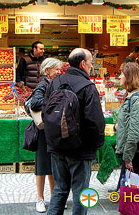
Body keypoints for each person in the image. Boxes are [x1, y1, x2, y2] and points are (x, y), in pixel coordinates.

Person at [45, 48, 105, 215]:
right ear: (82, 64)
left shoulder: (55, 82)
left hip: (57, 146)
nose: (91, 66)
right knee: (81, 192)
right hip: (80, 149)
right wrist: (95, 145)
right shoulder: (87, 86)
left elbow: (45, 112)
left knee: (60, 188)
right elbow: (95, 121)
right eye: (90, 62)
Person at [115, 62, 139, 215]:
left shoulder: (137, 99)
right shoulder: (131, 96)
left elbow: (135, 131)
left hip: (136, 152)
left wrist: (128, 156)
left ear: (129, 77)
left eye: (122, 74)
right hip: (132, 151)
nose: (119, 77)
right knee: (134, 187)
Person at [26, 57, 63, 213]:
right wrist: (54, 102)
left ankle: (54, 197)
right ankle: (40, 199)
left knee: (53, 166)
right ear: (48, 70)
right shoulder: (43, 85)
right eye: (56, 69)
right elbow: (35, 103)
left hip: (51, 130)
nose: (59, 71)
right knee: (41, 166)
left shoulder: (54, 84)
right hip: (42, 132)